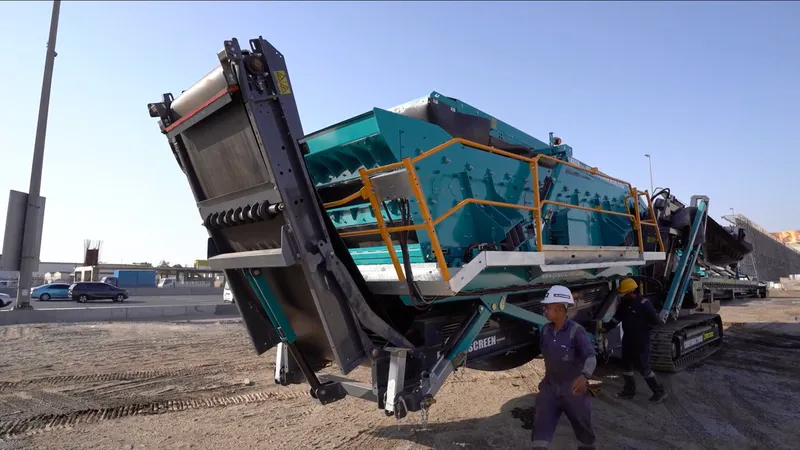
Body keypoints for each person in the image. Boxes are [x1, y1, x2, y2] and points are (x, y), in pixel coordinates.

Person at [532, 285, 597, 450]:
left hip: (573, 391)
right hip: (550, 389)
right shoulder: (546, 330)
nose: (545, 310)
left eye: (548, 307)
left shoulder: (576, 331)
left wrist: (585, 376)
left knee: (584, 434)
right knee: (539, 437)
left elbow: (591, 356)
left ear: (560, 309)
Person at [603, 277, 667, 404]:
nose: (622, 296)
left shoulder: (644, 304)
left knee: (643, 367)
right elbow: (617, 319)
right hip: (627, 339)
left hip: (640, 340)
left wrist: (645, 328)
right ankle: (629, 391)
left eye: (624, 294)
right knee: (626, 365)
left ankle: (659, 392)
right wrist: (605, 328)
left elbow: (654, 321)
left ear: (631, 292)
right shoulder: (624, 305)